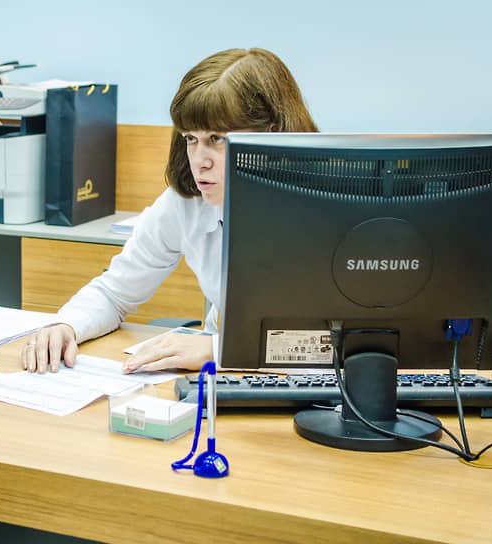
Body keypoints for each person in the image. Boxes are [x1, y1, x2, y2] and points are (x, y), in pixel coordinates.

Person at [22, 48, 317, 374]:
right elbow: (114, 293)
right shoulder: (187, 202)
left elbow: (339, 348)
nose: (200, 161)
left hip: (305, 389)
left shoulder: (322, 208)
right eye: (191, 138)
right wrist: (66, 325)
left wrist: (217, 350)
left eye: (217, 139)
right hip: (220, 384)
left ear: (272, 134)